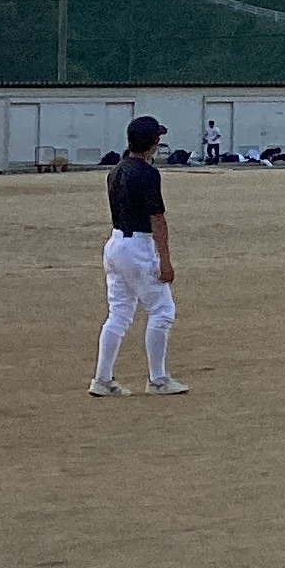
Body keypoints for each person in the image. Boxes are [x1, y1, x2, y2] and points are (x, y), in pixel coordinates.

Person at [90, 115, 185, 397]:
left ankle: (102, 378)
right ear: (153, 142)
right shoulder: (148, 173)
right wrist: (165, 259)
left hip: (116, 243)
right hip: (138, 246)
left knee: (118, 314)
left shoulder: (116, 171)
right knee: (162, 310)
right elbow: (157, 219)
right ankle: (158, 379)